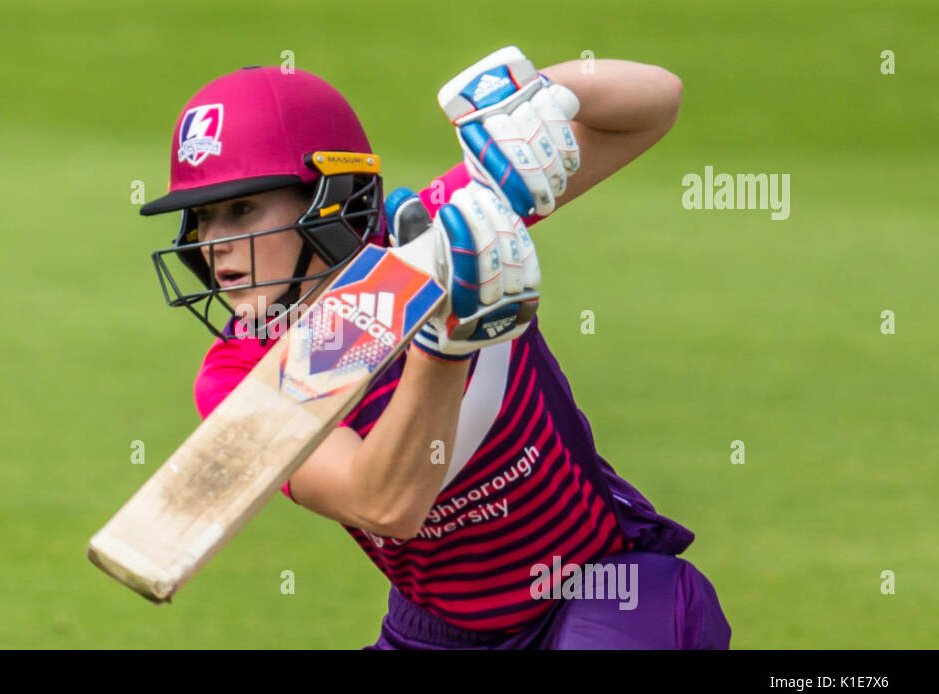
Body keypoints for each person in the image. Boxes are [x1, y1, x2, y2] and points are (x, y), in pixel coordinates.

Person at [139, 49, 731, 649]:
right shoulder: (242, 372)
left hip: (597, 587)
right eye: (203, 218)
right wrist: (445, 346)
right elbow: (385, 506)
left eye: (242, 209)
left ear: (331, 196)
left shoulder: (443, 232)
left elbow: (657, 101)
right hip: (440, 634)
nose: (214, 245)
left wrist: (537, 95)